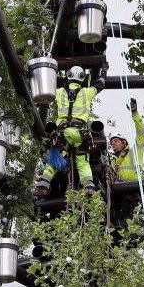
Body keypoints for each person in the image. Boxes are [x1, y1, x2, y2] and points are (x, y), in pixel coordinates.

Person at [34, 63, 108, 196]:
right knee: (83, 163)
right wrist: (104, 70)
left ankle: (43, 186)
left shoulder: (59, 92)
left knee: (55, 160)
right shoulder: (87, 92)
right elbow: (101, 84)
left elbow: (43, 90)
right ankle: (89, 187)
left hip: (63, 133)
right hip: (80, 134)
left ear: (67, 78)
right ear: (82, 79)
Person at [108, 98, 144, 231]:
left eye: (116, 141)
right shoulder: (112, 161)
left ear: (124, 142)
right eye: (112, 142)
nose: (113, 144)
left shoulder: (134, 152)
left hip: (132, 190)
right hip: (119, 194)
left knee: (130, 219)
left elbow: (141, 133)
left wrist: (134, 113)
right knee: (119, 219)